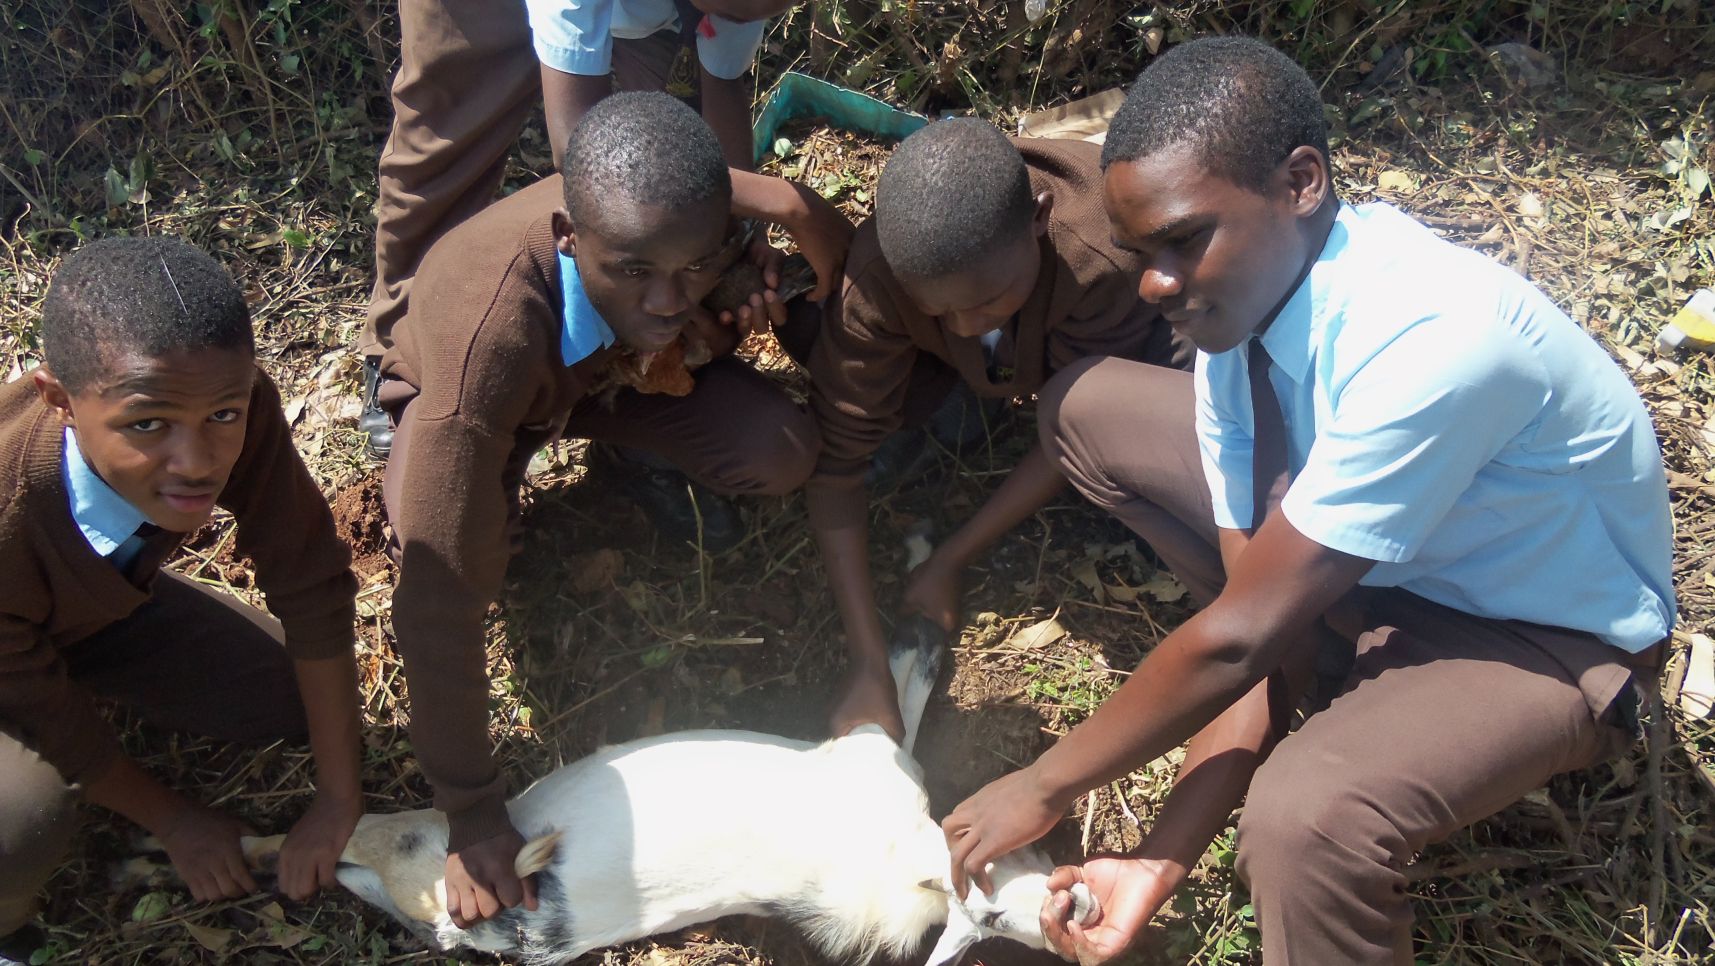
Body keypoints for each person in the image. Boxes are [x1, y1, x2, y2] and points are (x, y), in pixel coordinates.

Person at [940, 37, 1674, 965]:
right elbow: (1255, 630)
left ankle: (1365, 691)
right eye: (1140, 252)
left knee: (1306, 825)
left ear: (1299, 182)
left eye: (1183, 240)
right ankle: (1340, 658)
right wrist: (1159, 856)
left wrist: (1043, 784)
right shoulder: (1238, 319)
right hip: (1373, 574)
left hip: (1539, 639)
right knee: (1089, 410)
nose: (1155, 283)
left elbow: (1238, 637)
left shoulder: (1436, 343)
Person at [378, 91, 844, 930]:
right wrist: (473, 813)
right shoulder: (488, 342)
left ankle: (625, 450)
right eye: (634, 270)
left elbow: (739, 229)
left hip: (599, 373)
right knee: (459, 548)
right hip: (494, 394)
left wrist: (785, 208)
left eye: (693, 267)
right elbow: (431, 602)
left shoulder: (674, 223)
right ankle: (444, 452)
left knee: (775, 450)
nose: (669, 297)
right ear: (568, 236)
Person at [0, 238, 364, 962]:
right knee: (22, 823)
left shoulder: (218, 397)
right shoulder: (10, 510)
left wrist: (339, 799)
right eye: (147, 426)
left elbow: (310, 582)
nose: (198, 463)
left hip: (66, 617)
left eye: (222, 416)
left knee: (289, 694)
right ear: (58, 399)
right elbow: (40, 706)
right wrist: (173, 820)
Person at [784, 118, 1189, 739]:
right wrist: (868, 661)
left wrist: (952, 558)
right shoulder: (883, 275)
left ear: (1039, 218)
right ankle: (983, 388)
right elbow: (836, 465)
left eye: (987, 303)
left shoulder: (1102, 254)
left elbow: (1077, 423)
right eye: (937, 311)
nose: (965, 326)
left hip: (1119, 353)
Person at [357, 0, 808, 461]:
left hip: (663, 10)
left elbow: (720, 83)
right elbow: (575, 146)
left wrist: (740, 234)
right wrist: (787, 205)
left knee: (673, 155)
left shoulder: (738, 5)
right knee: (447, 137)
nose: (746, 22)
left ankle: (624, 379)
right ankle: (399, 354)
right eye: (737, 12)